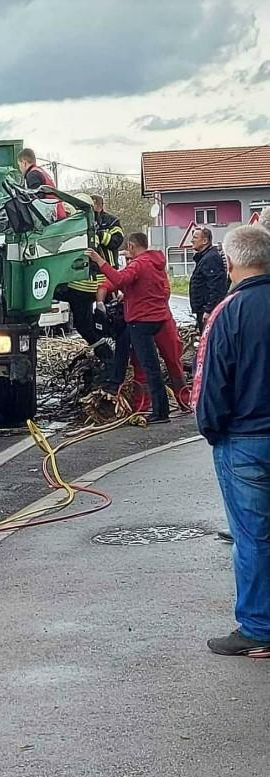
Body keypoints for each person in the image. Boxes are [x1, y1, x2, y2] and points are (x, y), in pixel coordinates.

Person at [192, 225, 270, 656]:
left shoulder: (230, 311)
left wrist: (212, 429)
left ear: (231, 263)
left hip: (245, 439)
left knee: (253, 536)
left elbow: (210, 383)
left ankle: (258, 628)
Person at [87, 233, 176, 423]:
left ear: (132, 245)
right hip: (157, 318)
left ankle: (160, 412)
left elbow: (119, 280)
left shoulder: (139, 263)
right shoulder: (156, 263)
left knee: (149, 367)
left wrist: (100, 261)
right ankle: (161, 409)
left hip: (140, 320)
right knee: (153, 365)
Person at [60, 195, 123, 364]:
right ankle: (104, 353)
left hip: (105, 276)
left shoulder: (110, 221)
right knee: (83, 324)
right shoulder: (72, 223)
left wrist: (97, 234)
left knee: (113, 318)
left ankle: (120, 353)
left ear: (97, 207)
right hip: (81, 281)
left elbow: (117, 241)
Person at [189, 227, 227, 333]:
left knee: (208, 340)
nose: (192, 240)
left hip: (207, 310)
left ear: (205, 241)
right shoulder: (204, 258)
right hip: (203, 309)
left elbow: (216, 286)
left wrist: (209, 309)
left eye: (195, 237)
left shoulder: (211, 259)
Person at [16, 148, 66, 219]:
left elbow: (37, 199)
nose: (20, 169)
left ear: (24, 163)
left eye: (19, 165)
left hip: (53, 215)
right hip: (58, 210)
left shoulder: (32, 174)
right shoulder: (40, 171)